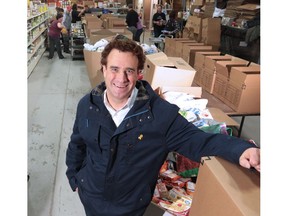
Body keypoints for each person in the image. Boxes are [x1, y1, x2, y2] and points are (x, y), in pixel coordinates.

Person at [65, 38, 260, 216]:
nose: (121, 78)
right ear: (104, 69)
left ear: (139, 74)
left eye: (129, 71)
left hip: (129, 207)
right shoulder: (88, 105)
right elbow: (77, 145)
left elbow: (199, 141)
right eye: (114, 69)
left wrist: (241, 149)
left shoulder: (159, 115)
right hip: (90, 197)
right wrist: (74, 178)